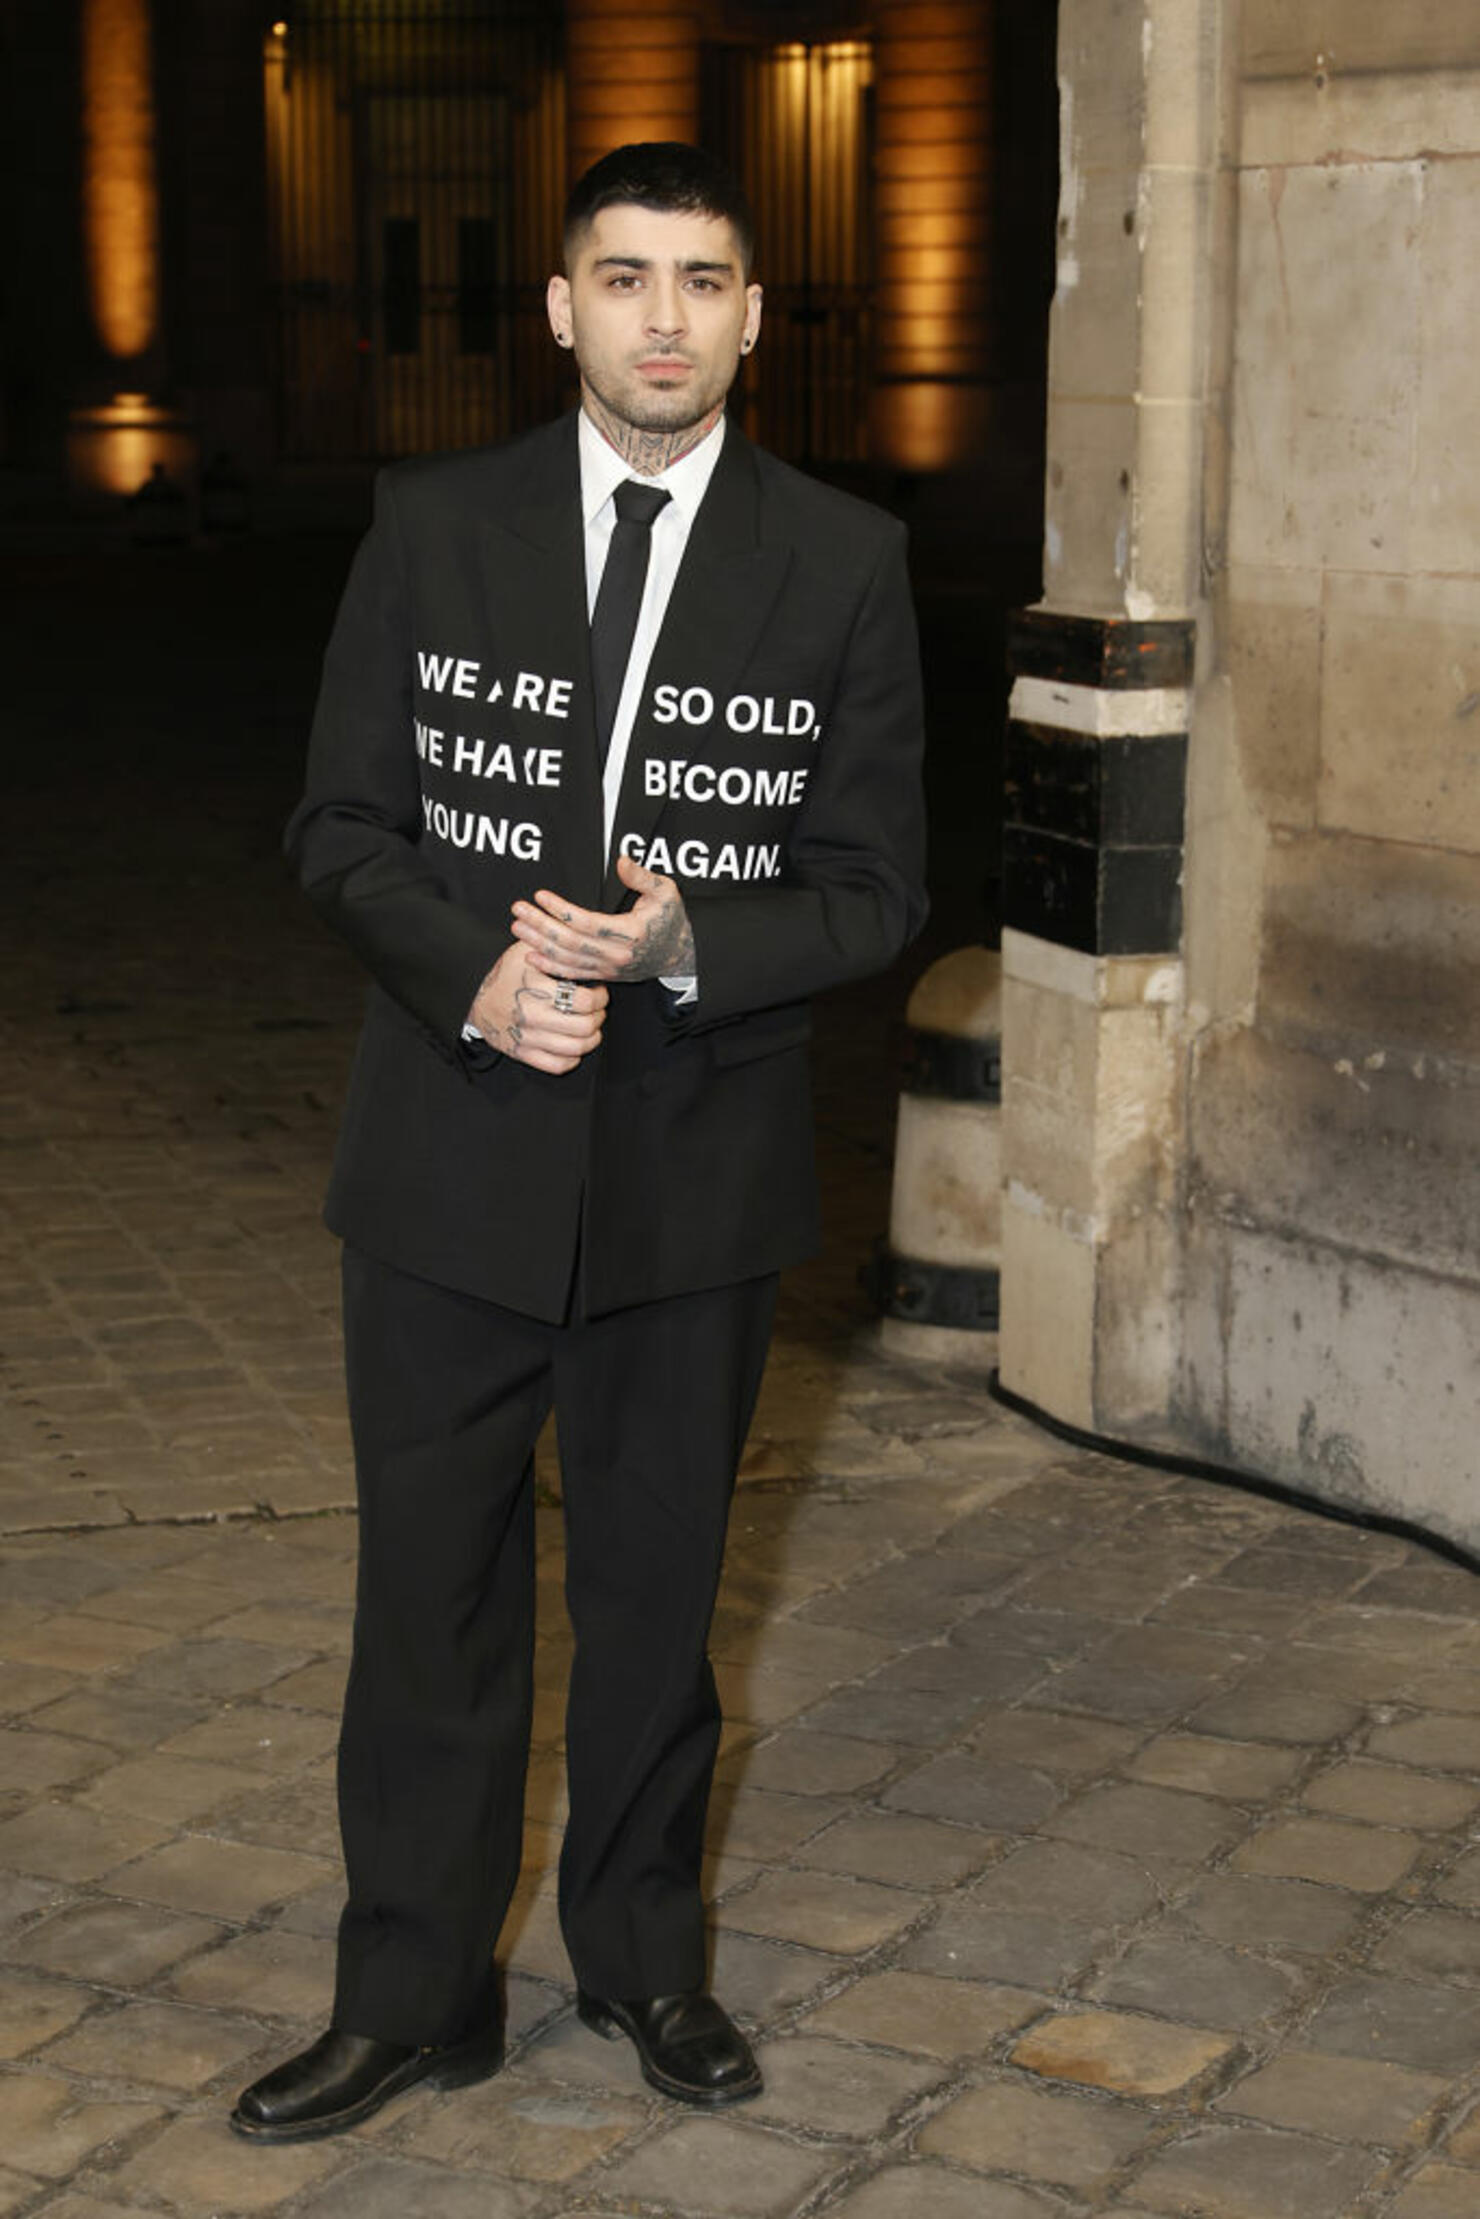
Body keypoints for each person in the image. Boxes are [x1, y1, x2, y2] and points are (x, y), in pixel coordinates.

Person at [231, 141, 926, 2143]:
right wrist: (479, 977)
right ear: (558, 307)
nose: (662, 318)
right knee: (424, 1598)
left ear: (750, 317)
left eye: (703, 280)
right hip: (445, 1155)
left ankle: (642, 1963)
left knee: (653, 1596)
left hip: (689, 1177)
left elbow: (876, 889)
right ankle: (410, 1993)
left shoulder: (842, 560)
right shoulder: (433, 528)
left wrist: (687, 938)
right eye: (622, 277)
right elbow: (339, 830)